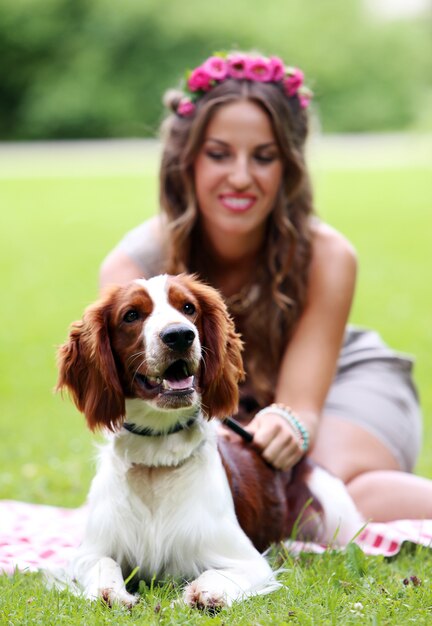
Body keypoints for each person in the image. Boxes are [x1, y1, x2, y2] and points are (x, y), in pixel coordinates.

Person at [100, 52, 432, 522]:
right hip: (218, 404)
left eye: (264, 156)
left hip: (340, 382)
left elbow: (300, 407)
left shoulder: (329, 255)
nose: (240, 176)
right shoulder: (133, 265)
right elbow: (137, 403)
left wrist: (286, 422)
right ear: (187, 160)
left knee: (317, 497)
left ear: (288, 167)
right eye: (219, 154)